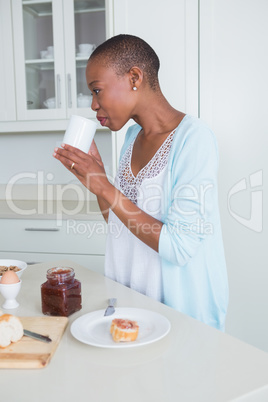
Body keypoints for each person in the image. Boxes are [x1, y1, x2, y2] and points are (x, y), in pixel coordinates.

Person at [53, 34, 228, 331]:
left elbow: (179, 247)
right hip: (135, 305)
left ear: (135, 77)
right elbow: (120, 226)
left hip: (182, 316)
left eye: (97, 91)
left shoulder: (194, 139)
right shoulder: (132, 139)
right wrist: (96, 180)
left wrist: (105, 187)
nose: (94, 105)